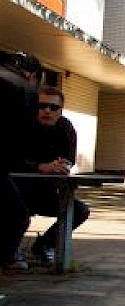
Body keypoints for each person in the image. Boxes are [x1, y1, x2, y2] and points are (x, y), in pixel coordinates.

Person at [14, 86, 90, 264]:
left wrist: (62, 166)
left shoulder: (65, 128)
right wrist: (41, 167)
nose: (47, 111)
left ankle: (43, 245)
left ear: (60, 110)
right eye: (42, 106)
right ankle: (9, 251)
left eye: (53, 107)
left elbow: (69, 158)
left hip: (45, 193)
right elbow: (14, 159)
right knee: (17, 214)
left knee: (79, 211)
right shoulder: (23, 126)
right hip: (18, 192)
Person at [1, 51, 43, 271]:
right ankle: (7, 260)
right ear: (33, 76)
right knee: (16, 216)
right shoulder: (22, 88)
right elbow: (22, 139)